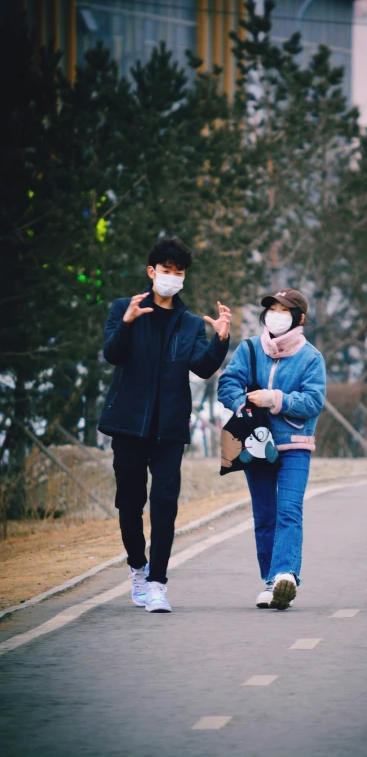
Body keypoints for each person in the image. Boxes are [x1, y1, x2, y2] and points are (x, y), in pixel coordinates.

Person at [98, 237, 231, 613]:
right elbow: (113, 354)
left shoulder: (189, 325)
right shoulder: (125, 308)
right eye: (166, 271)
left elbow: (202, 367)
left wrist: (221, 339)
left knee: (165, 504)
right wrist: (126, 324)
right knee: (129, 502)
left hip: (170, 429)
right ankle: (137, 569)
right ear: (151, 272)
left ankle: (157, 583)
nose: (172, 278)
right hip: (128, 426)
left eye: (179, 273)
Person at [218, 289, 326, 609]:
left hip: (295, 445)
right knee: (265, 515)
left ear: (299, 318)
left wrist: (275, 399)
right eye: (272, 308)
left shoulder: (311, 358)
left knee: (289, 510)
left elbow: (313, 402)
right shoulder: (249, 349)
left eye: (284, 310)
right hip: (256, 443)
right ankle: (271, 581)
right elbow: (227, 385)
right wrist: (245, 406)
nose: (276, 314)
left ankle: (285, 575)